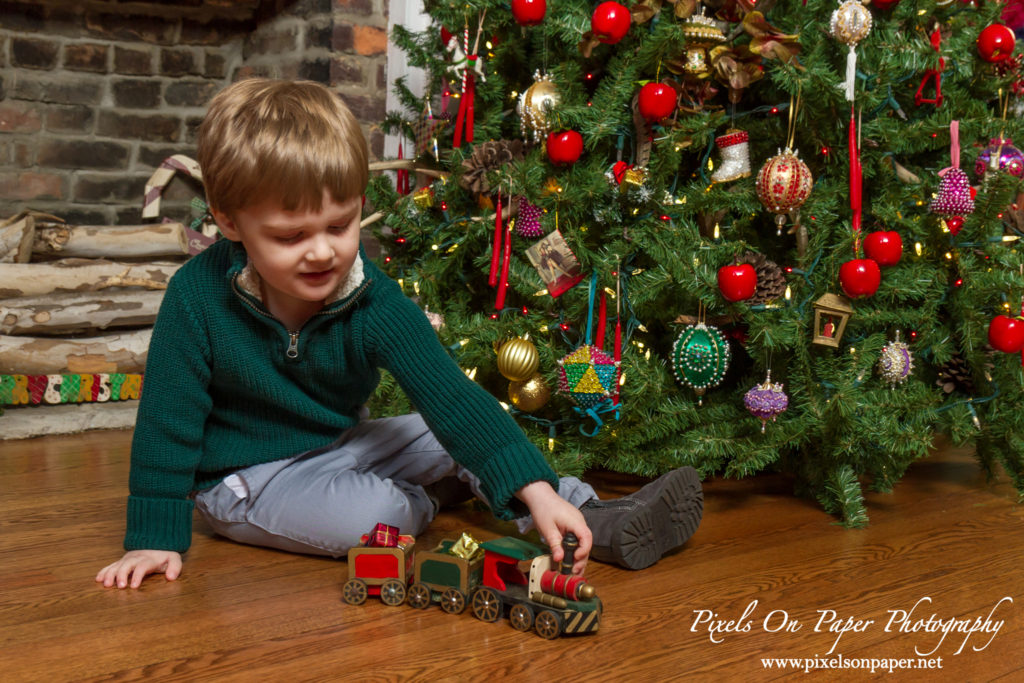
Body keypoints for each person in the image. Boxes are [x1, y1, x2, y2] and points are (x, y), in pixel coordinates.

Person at [96, 79, 703, 590]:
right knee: (379, 518)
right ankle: (431, 498)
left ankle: (583, 510)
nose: (322, 252)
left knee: (460, 424)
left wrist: (539, 491)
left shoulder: (372, 300)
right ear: (229, 221)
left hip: (344, 442)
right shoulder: (196, 298)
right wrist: (152, 537)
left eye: (342, 224)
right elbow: (166, 424)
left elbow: (449, 396)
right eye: (290, 237)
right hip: (249, 481)